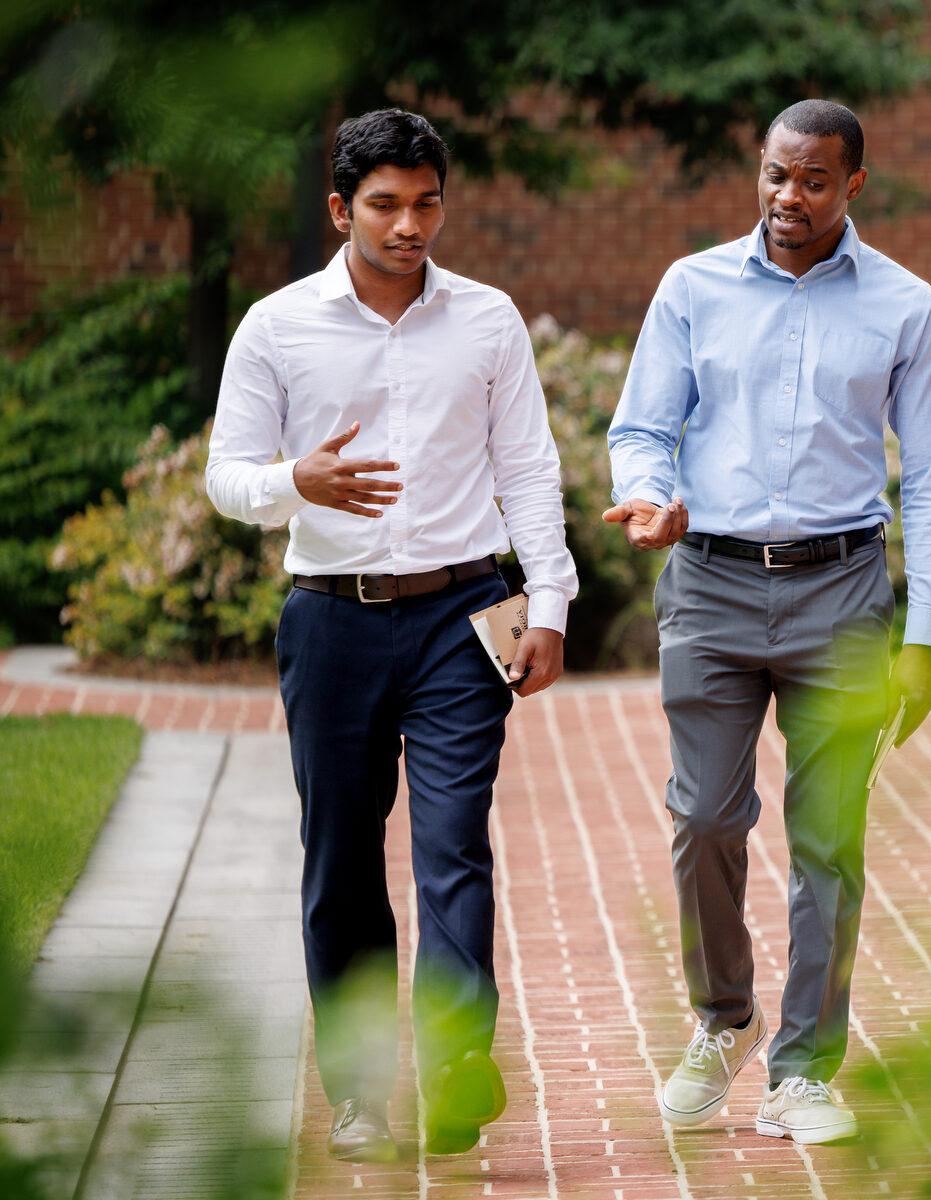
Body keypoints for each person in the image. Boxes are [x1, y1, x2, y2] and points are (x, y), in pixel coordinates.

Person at [205, 108, 577, 1163]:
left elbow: (528, 470)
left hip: (464, 617)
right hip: (332, 620)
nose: (411, 224)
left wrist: (547, 603)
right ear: (341, 208)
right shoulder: (277, 327)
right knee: (343, 861)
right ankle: (362, 1091)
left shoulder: (490, 320)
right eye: (386, 205)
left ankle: (457, 1064)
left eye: (427, 203)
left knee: (454, 845)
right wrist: (295, 483)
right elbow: (228, 475)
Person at [605, 99, 931, 1145]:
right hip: (709, 583)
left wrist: (928, 637)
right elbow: (642, 425)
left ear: (854, 184)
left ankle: (804, 1066)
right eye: (773, 175)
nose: (786, 199)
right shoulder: (693, 288)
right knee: (705, 818)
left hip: (842, 591)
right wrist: (649, 492)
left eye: (811, 181)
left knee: (828, 841)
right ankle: (725, 1019)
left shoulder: (906, 306)